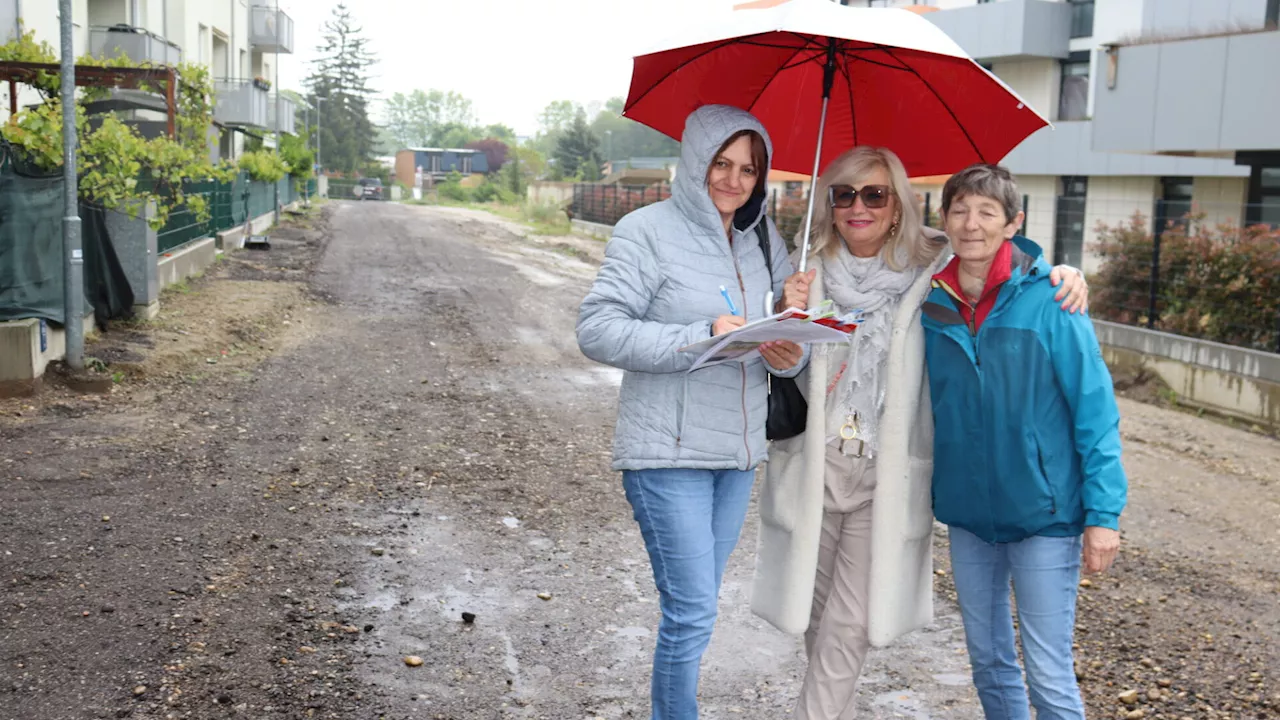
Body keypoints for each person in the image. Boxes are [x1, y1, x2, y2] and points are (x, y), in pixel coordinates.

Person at [750, 147, 1090, 720]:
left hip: (887, 470)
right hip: (815, 463)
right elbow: (783, 371)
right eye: (844, 194)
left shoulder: (930, 264)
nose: (859, 207)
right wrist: (786, 328)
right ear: (830, 205)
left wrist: (1063, 271)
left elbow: (998, 257)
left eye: (875, 194)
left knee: (850, 622)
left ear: (897, 204)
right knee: (816, 618)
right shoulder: (801, 269)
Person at [576, 104, 807, 720]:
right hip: (667, 452)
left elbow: (786, 357)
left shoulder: (762, 241)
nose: (734, 181)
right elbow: (597, 330)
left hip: (737, 457)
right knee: (692, 608)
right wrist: (703, 334)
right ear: (694, 161)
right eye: (721, 164)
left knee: (696, 606)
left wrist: (786, 346)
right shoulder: (645, 230)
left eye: (749, 170)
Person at [922, 163, 1127, 720]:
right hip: (969, 516)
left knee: (1048, 671)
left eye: (987, 212)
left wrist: (1103, 515)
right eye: (960, 210)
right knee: (988, 661)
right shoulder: (929, 305)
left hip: (1045, 514)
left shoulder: (1053, 299)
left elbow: (1095, 412)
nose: (971, 224)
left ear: (1013, 223)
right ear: (943, 219)